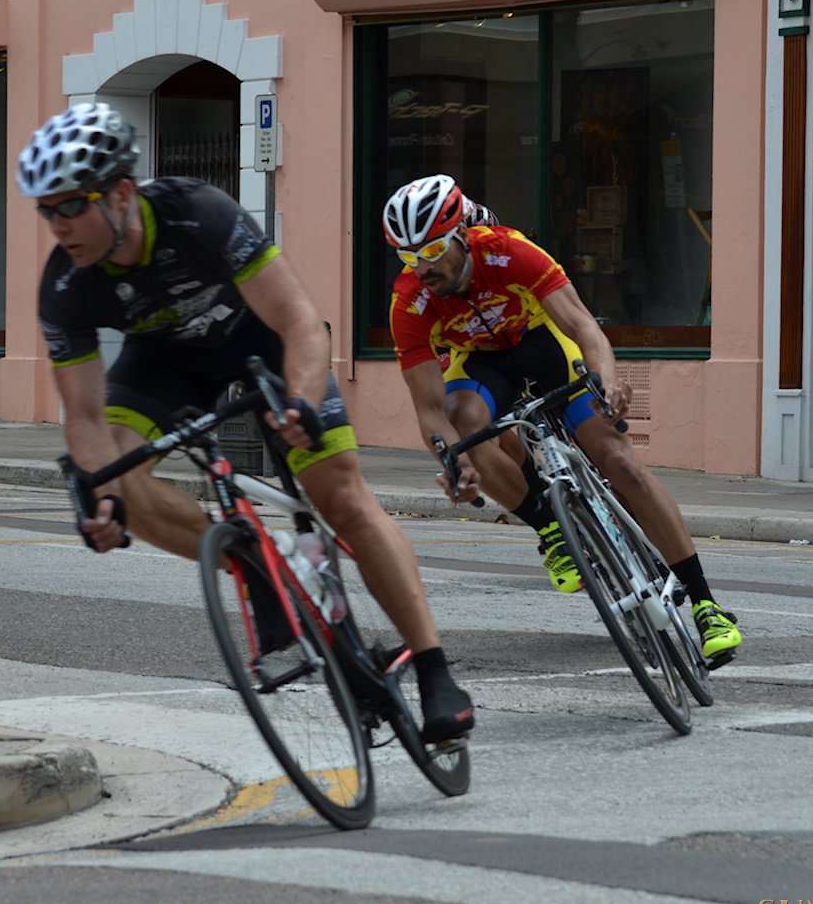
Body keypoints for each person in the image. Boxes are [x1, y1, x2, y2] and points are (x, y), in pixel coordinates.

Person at [23, 103, 475, 742]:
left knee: (340, 496)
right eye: (47, 211)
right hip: (163, 363)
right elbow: (88, 418)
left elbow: (298, 320)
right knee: (122, 482)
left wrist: (297, 404)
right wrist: (100, 498)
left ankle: (433, 669)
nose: (58, 226)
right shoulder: (65, 284)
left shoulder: (199, 214)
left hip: (259, 340)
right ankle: (255, 565)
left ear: (120, 193)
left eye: (71, 206)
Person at [384, 174, 742, 664]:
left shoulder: (509, 251)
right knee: (462, 426)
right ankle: (547, 524)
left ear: (462, 236)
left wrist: (608, 380)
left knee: (621, 461)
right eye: (407, 257)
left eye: (431, 252)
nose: (420, 268)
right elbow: (427, 407)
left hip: (543, 343)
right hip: (482, 363)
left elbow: (581, 325)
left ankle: (706, 605)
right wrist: (453, 464)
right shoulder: (410, 300)